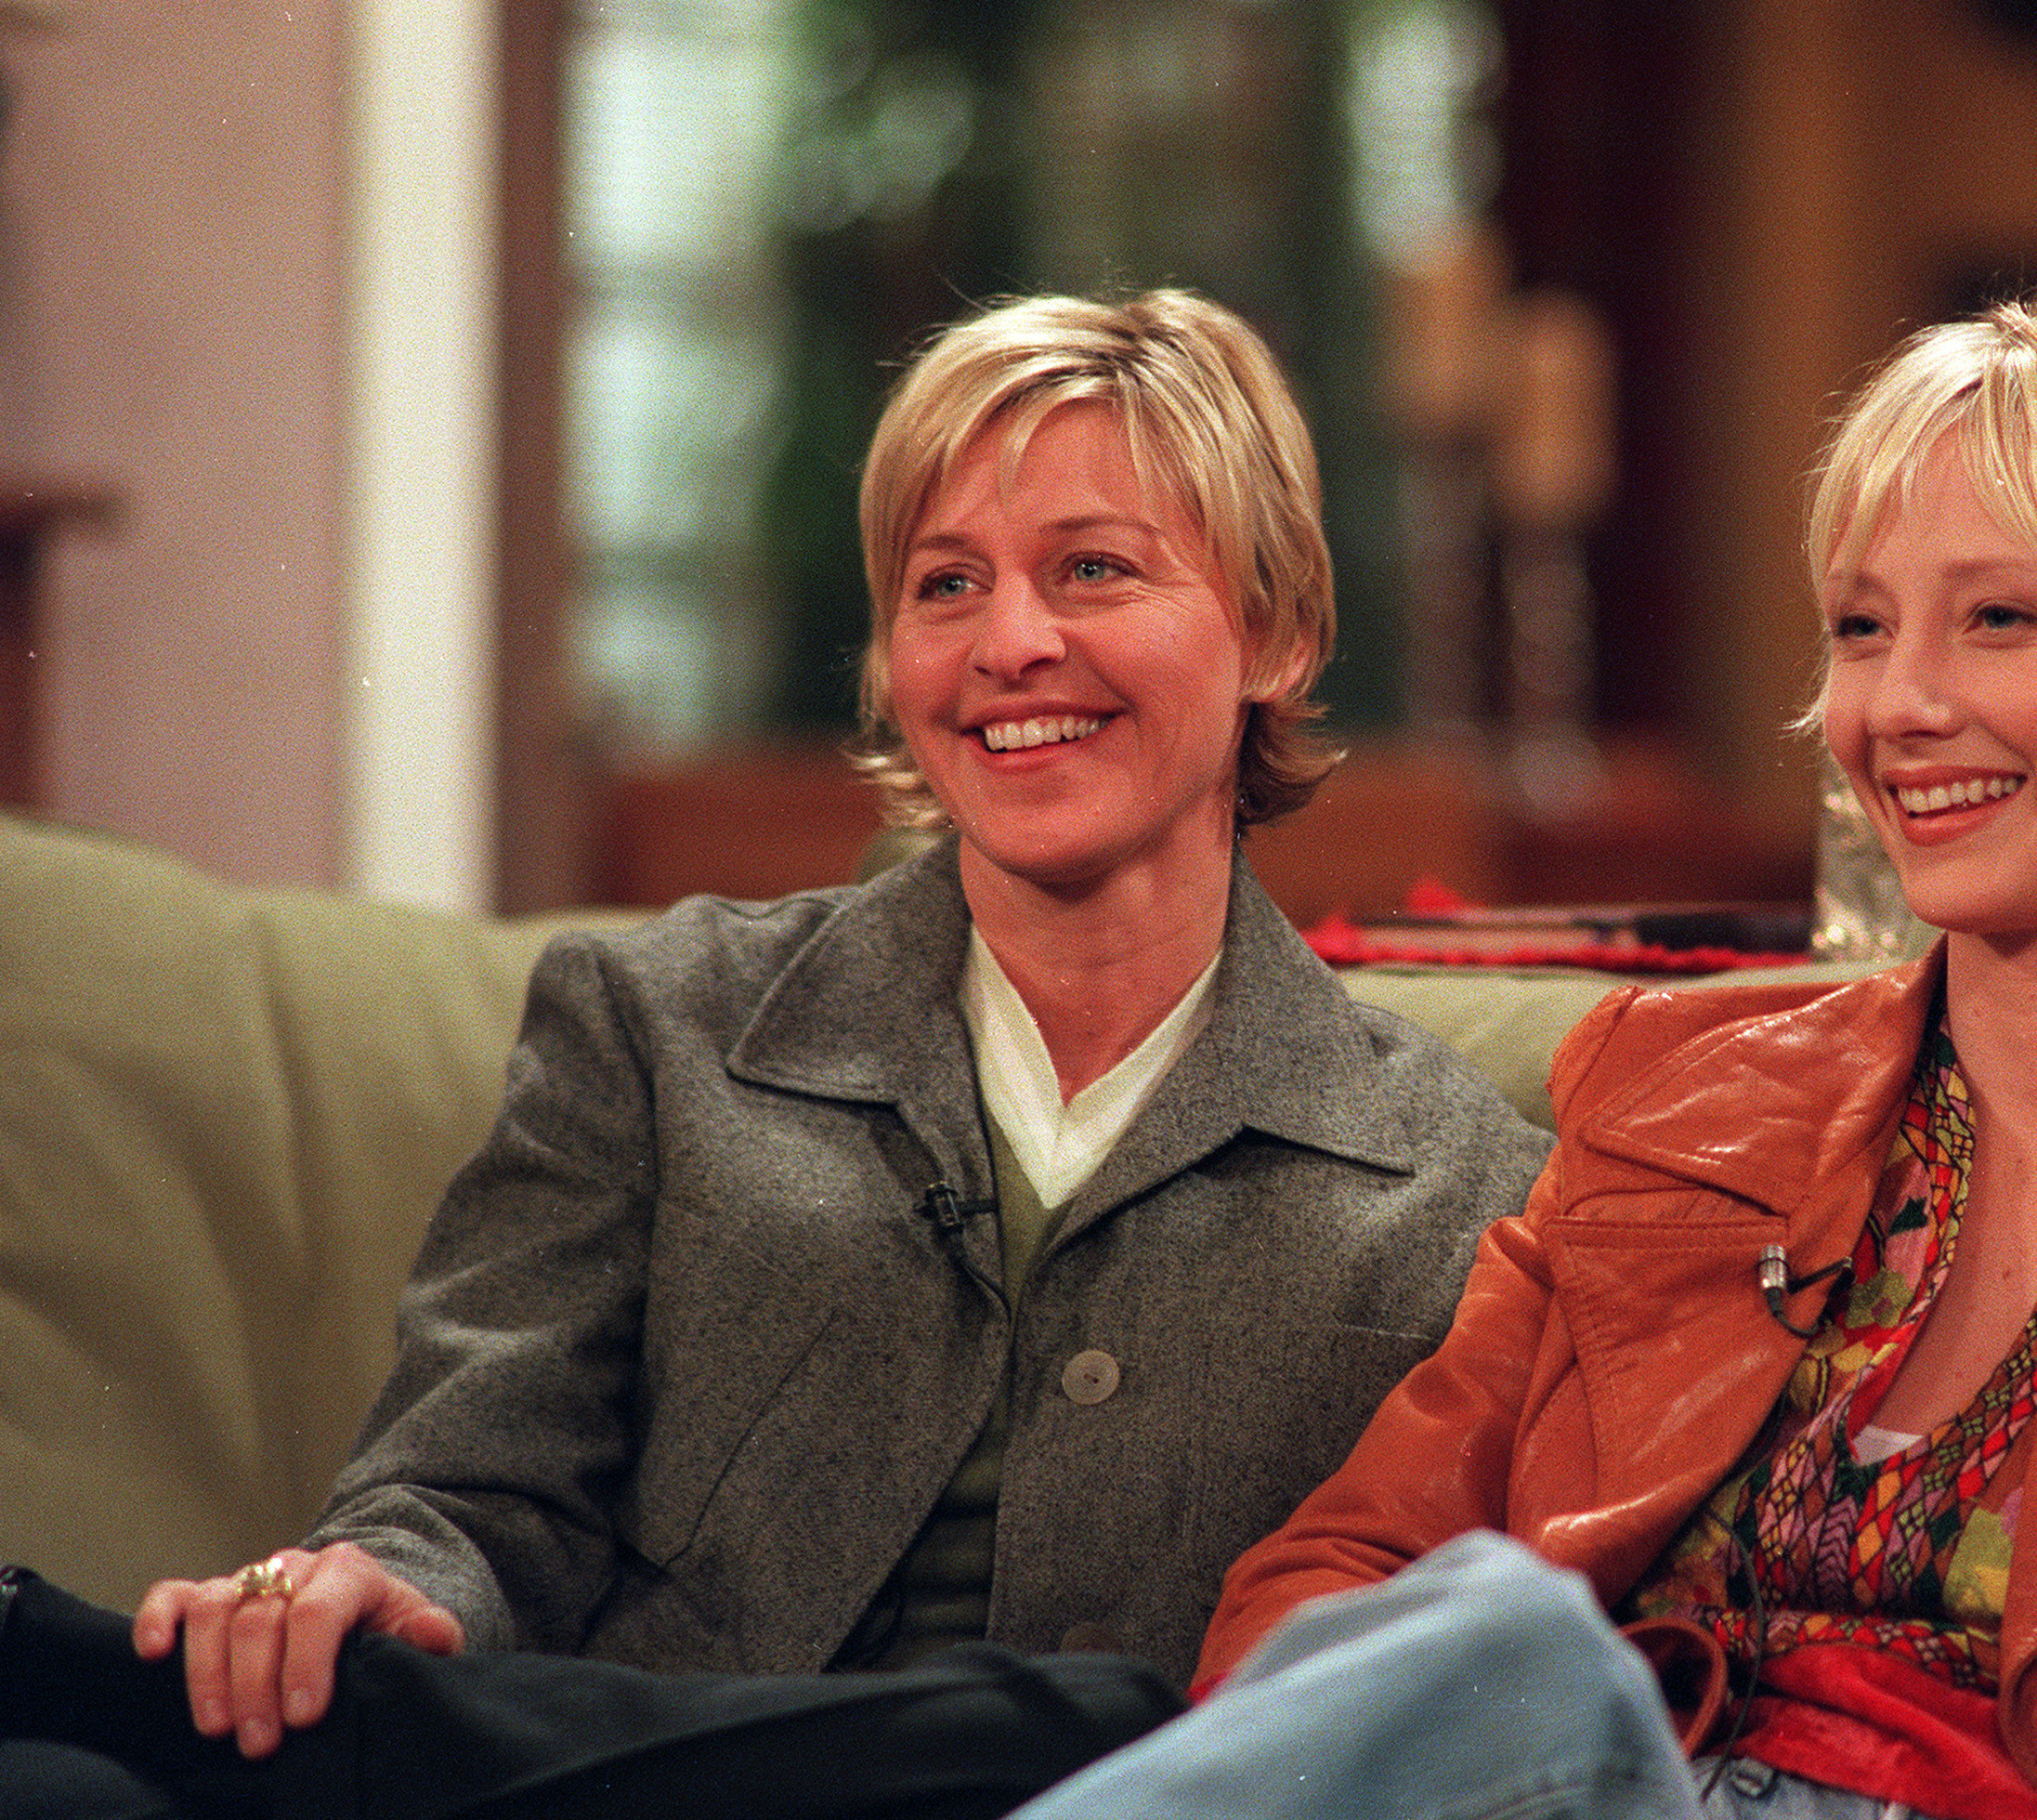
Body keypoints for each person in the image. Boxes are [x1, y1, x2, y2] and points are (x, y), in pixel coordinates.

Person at [1007, 268, 2037, 1820]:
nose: (1899, 704)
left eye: (2001, 620)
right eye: (1862, 628)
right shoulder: (1681, 1091)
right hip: (1615, 1789)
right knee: (1500, 1651)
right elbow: (1348, 1569)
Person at [0, 288, 1550, 1814]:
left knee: (1088, 1730)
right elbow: (469, 1493)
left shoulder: (1462, 1185)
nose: (1011, 643)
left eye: (1091, 569)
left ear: (1273, 631)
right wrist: (374, 1594)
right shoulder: (657, 1024)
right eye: (946, 587)